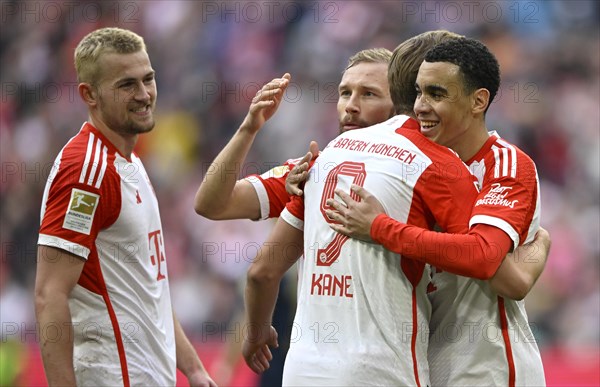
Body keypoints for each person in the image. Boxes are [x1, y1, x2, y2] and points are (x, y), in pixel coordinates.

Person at [243, 32, 550, 385]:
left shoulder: (505, 164)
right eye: (418, 92)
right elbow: (216, 207)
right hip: (419, 361)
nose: (420, 106)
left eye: (436, 93)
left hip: (485, 366)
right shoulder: (394, 164)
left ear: (476, 101)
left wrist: (381, 228)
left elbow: (506, 276)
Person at [193, 47, 395, 386]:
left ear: (400, 106)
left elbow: (262, 273)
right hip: (318, 363)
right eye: (345, 92)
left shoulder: (424, 173)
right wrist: (248, 129)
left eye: (369, 94)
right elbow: (212, 204)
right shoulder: (311, 172)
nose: (351, 105)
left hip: (387, 363)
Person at [34, 27, 215, 386]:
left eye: (148, 79)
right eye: (126, 85)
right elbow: (48, 293)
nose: (145, 94)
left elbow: (151, 288)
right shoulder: (85, 169)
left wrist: (193, 369)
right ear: (90, 94)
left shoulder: (130, 161)